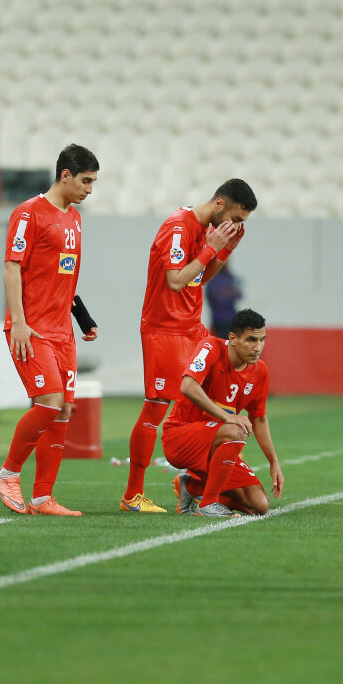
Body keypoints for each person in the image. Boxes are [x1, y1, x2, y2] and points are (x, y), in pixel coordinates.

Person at [120, 179, 257, 514]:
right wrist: (211, 247)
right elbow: (175, 280)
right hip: (165, 329)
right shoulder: (178, 227)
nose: (235, 225)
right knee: (156, 406)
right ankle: (132, 495)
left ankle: (193, 483)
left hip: (192, 327)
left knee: (202, 405)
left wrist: (225, 249)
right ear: (220, 204)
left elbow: (199, 278)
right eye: (236, 218)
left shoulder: (207, 230)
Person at [0, 145, 100, 517]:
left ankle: (42, 497)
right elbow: (12, 268)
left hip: (62, 331)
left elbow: (63, 275)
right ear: (65, 175)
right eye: (85, 181)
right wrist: (19, 323)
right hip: (32, 329)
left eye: (93, 182)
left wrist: (82, 317)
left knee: (65, 408)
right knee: (49, 402)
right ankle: (7, 473)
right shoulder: (28, 213)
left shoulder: (75, 218)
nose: (89, 189)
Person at [162, 308, 283, 517]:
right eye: (251, 340)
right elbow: (188, 386)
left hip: (219, 445)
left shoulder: (260, 371)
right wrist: (229, 417)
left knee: (259, 505)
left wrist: (274, 461)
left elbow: (259, 419)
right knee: (236, 430)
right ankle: (208, 504)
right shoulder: (210, 347)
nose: (258, 347)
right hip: (180, 438)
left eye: (262, 340)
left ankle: (191, 486)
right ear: (233, 338)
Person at [205, 263, 242, 340]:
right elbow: (216, 298)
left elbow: (239, 295)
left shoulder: (230, 277)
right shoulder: (212, 279)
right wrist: (229, 292)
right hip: (219, 319)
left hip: (232, 318)